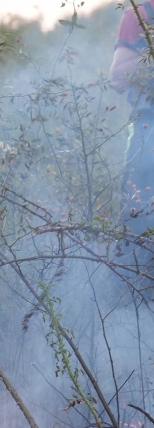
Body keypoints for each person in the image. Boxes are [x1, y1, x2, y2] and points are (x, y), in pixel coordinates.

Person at [112, 1, 154, 270]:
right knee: (135, 211)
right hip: (148, 128)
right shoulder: (139, 14)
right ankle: (129, 288)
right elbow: (116, 76)